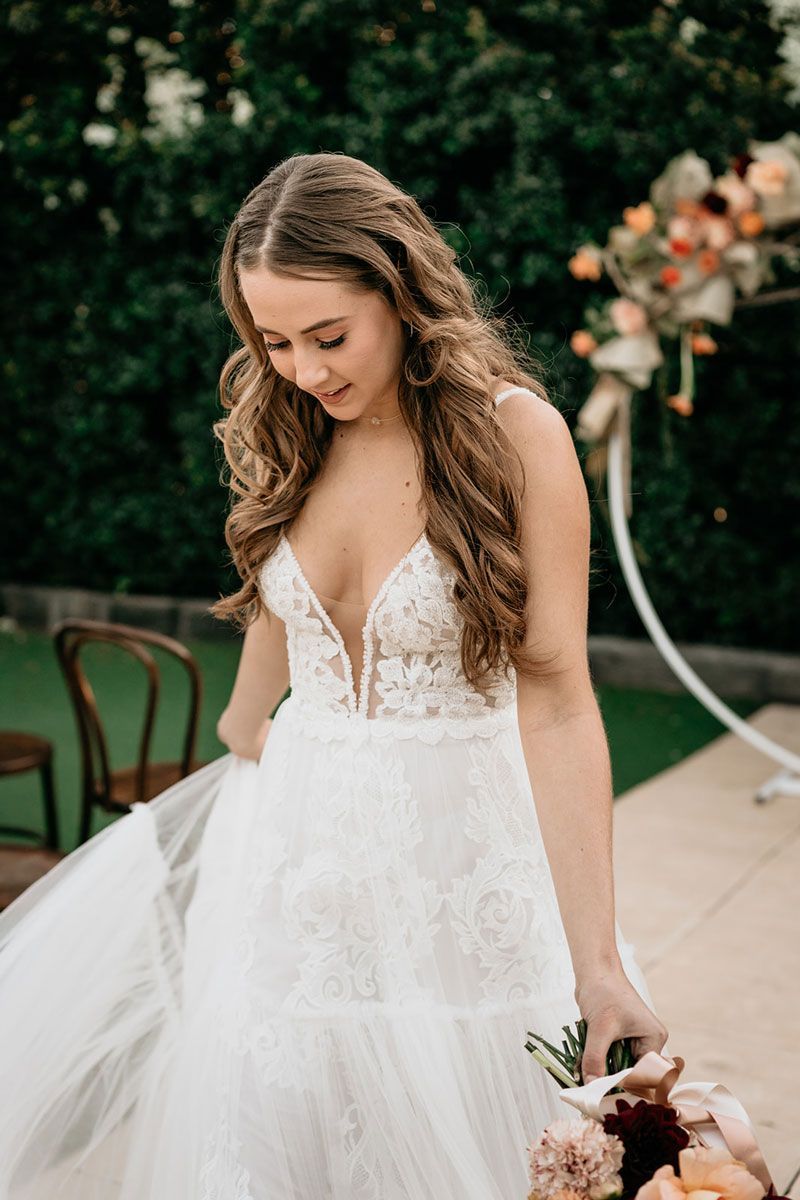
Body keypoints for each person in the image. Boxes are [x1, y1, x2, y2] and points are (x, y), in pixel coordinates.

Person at [0, 151, 667, 1199]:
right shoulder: (292, 428)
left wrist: (595, 964)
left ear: (399, 292)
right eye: (272, 341)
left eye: (328, 336)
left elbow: (557, 698)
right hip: (299, 869)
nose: (305, 370)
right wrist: (242, 721)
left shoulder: (514, 438)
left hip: (459, 871)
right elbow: (284, 603)